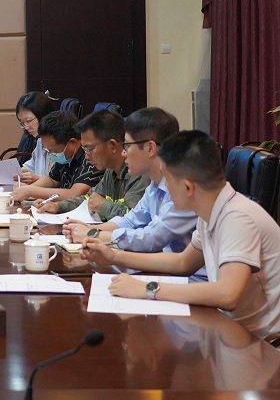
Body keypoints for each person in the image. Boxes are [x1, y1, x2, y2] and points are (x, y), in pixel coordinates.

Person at [83, 130, 280, 340]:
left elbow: (227, 294)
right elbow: (183, 262)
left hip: (262, 343)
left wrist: (147, 289)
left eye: (167, 180)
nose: (165, 188)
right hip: (229, 331)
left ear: (187, 187)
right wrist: (114, 256)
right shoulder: (212, 211)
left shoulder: (237, 218)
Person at [63, 107, 197, 253]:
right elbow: (130, 221)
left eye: (127, 145)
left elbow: (150, 238)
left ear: (150, 148)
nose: (123, 153)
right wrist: (89, 229)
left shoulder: (183, 188)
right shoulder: (154, 185)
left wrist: (94, 235)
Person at [35, 109, 149, 221]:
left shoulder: (139, 173)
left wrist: (103, 205)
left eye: (89, 149)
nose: (86, 156)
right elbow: (88, 199)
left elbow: (134, 218)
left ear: (112, 145)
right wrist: (57, 206)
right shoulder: (111, 171)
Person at [12, 110, 99, 202]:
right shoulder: (66, 156)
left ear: (72, 143)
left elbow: (74, 194)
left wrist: (31, 191)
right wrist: (26, 189)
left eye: (53, 151)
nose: (51, 155)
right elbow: (52, 180)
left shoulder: (91, 157)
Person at [15, 91, 55, 184]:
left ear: (43, 116)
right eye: (22, 123)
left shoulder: (59, 144)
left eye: (29, 121)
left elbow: (59, 181)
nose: (26, 127)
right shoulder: (40, 141)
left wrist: (38, 179)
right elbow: (31, 166)